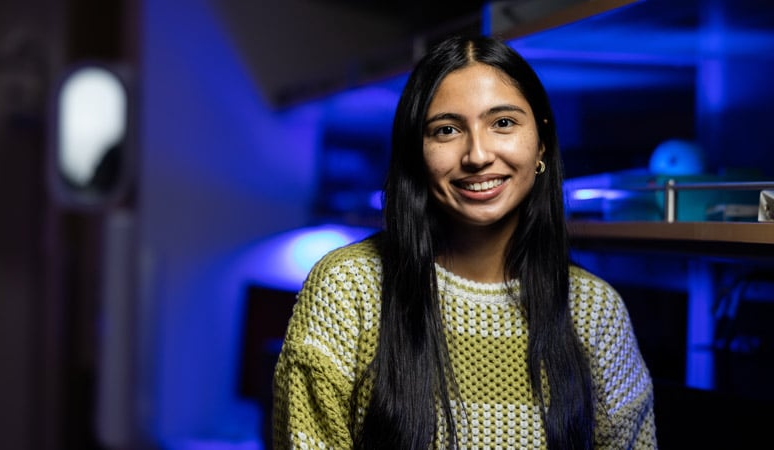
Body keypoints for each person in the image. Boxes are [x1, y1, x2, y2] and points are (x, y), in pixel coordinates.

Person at [272, 35, 657, 450]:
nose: (477, 155)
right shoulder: (349, 289)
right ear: (416, 152)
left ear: (541, 141)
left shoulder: (596, 311)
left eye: (503, 123)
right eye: (447, 130)